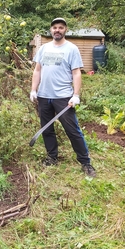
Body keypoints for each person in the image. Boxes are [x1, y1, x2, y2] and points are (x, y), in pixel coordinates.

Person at [30, 17, 96, 177]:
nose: (57, 30)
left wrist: (76, 95)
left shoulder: (71, 49)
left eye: (60, 27)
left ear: (65, 30)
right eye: (54, 28)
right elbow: (37, 71)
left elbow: (76, 73)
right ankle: (52, 157)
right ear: (51, 30)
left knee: (72, 130)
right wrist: (33, 90)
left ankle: (85, 162)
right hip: (44, 96)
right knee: (47, 129)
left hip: (63, 98)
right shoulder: (44, 49)